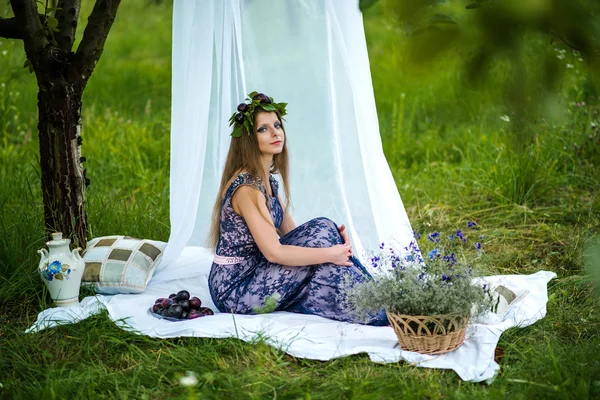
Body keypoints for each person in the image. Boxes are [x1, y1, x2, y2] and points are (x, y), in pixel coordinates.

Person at [207, 92, 388, 326]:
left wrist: (333, 239)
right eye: (263, 129)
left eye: (277, 125)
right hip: (236, 288)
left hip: (258, 269)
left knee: (324, 228)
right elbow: (275, 253)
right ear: (249, 140)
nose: (275, 133)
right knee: (324, 255)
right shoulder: (247, 189)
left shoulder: (266, 182)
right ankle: (381, 308)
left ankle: (378, 300)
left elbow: (291, 232)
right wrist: (330, 252)